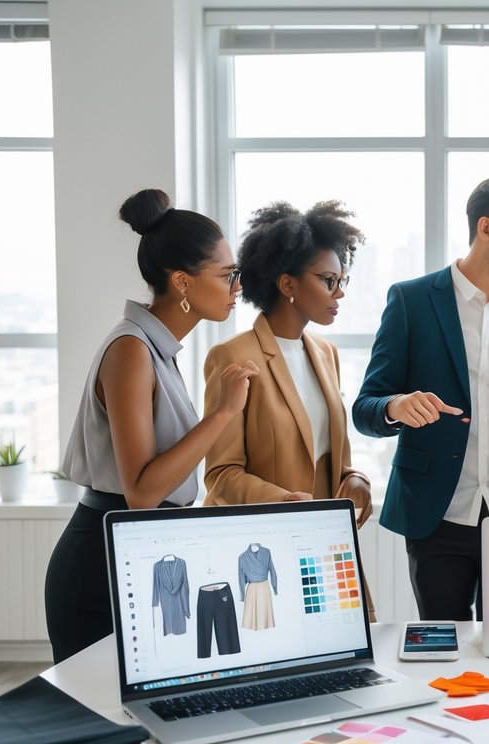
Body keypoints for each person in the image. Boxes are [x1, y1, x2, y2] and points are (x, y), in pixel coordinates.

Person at [45, 188, 258, 663]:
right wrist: (223, 414)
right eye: (227, 275)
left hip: (139, 553)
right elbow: (141, 492)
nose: (237, 288)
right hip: (99, 566)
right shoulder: (132, 351)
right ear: (182, 282)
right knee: (100, 725)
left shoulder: (156, 350)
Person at [352, 175, 489, 620]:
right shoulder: (412, 301)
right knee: (444, 650)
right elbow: (366, 407)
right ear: (487, 228)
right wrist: (396, 406)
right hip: (438, 515)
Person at [201, 201, 376, 620]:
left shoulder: (326, 354)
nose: (340, 293)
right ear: (287, 283)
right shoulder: (232, 356)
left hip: (323, 546)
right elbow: (221, 475)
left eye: (342, 279)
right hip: (257, 547)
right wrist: (288, 502)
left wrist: (358, 481)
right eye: (328, 280)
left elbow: (336, 458)